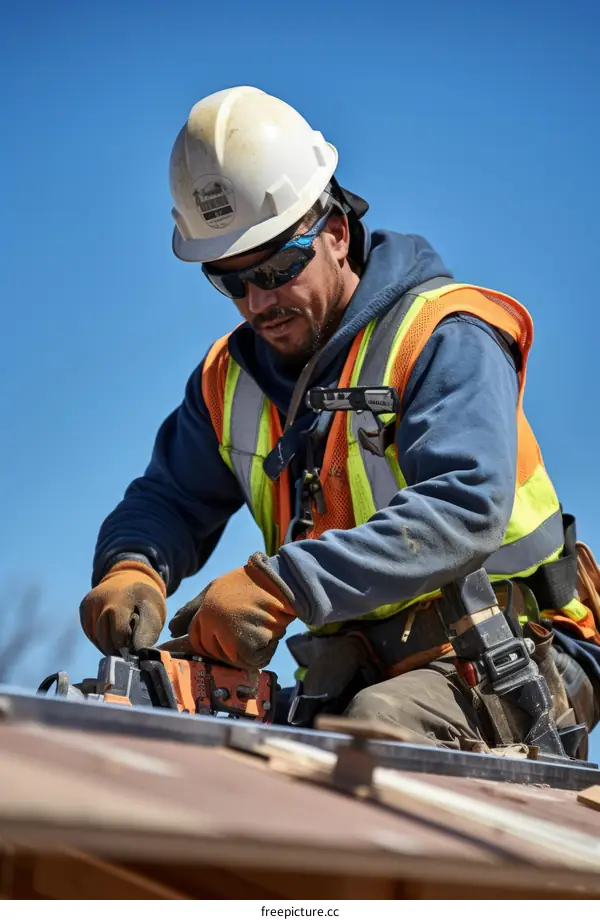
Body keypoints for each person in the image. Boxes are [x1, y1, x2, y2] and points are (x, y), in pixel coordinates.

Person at [80, 85, 600, 753]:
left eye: (278, 268)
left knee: (369, 744)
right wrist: (132, 568)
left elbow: (464, 508)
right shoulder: (229, 380)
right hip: (358, 673)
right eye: (230, 280)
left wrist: (281, 585)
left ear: (335, 232)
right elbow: (167, 499)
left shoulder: (443, 336)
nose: (257, 301)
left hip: (508, 658)